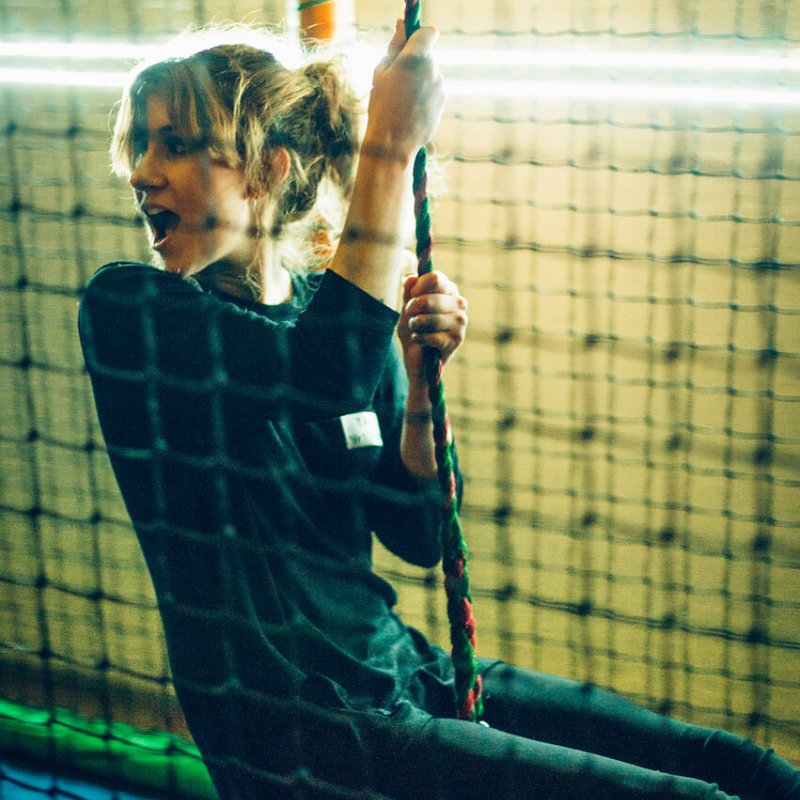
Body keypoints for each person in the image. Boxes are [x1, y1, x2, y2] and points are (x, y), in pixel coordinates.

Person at [78, 19, 799, 800]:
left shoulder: (335, 314)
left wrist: (421, 389)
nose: (143, 172)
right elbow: (322, 372)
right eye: (141, 147)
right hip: (307, 733)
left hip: (405, 671)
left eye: (175, 143)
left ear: (266, 170)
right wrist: (391, 143)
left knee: (736, 766)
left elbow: (416, 533)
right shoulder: (133, 311)